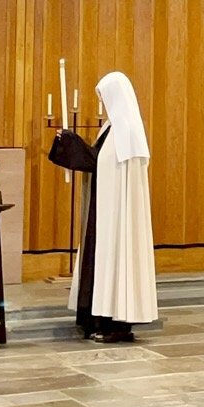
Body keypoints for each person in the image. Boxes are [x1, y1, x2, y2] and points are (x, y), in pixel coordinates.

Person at [60, 71, 159, 342]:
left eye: (104, 96)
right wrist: (69, 144)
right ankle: (96, 319)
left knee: (116, 260)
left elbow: (109, 168)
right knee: (98, 258)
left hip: (116, 216)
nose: (102, 102)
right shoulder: (110, 129)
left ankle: (117, 324)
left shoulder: (126, 131)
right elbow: (96, 161)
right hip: (102, 209)